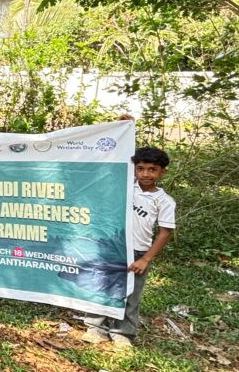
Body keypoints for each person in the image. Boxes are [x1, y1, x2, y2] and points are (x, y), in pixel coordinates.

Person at [82, 147, 176, 349]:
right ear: (134, 169)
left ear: (162, 172)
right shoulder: (124, 188)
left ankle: (123, 333)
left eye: (152, 169)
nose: (145, 174)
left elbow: (165, 233)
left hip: (138, 252)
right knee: (102, 286)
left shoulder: (165, 201)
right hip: (113, 247)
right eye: (140, 168)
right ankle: (95, 327)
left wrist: (145, 259)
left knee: (131, 294)